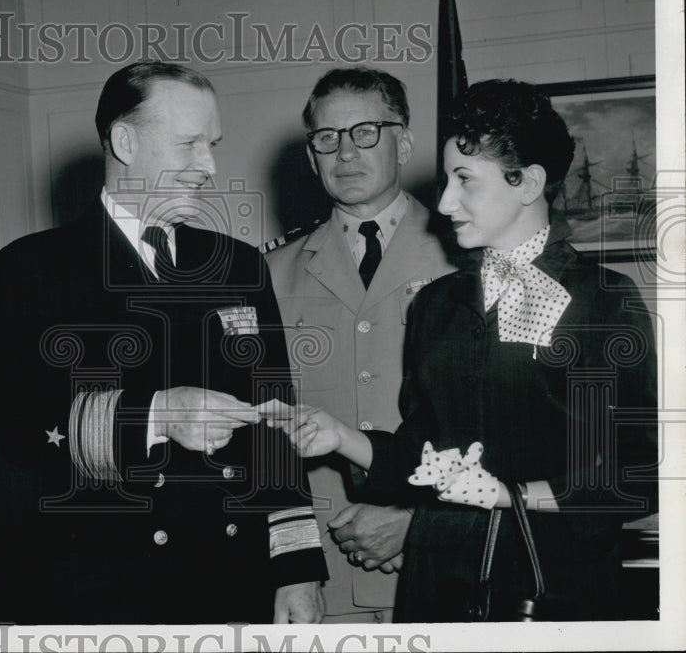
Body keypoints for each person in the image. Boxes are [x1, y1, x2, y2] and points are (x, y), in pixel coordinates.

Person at [263, 80, 657, 621]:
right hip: (436, 585)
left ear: (528, 183)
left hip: (550, 589)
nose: (445, 201)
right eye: (448, 180)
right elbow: (423, 453)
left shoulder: (600, 300)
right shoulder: (438, 302)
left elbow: (632, 477)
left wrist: (508, 495)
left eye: (465, 180)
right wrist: (341, 437)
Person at [0, 61, 327, 624]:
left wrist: (297, 568)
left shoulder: (238, 265)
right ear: (125, 142)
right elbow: (19, 428)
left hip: (232, 578)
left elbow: (276, 422)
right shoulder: (36, 266)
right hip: (102, 589)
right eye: (189, 144)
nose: (209, 166)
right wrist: (158, 414)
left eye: (212, 145)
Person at [264, 68, 454, 622]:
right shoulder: (269, 275)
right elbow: (261, 440)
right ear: (311, 156)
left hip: (442, 565)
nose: (345, 152)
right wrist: (291, 566)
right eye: (327, 138)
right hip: (323, 573)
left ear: (405, 144)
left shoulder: (465, 259)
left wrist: (419, 521)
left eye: (366, 132)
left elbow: (502, 431)